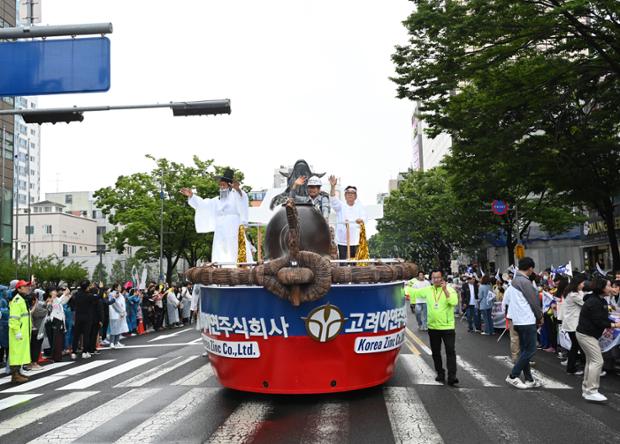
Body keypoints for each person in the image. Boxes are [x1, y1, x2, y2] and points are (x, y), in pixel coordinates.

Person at [180, 168, 251, 264]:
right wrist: (192, 196)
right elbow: (203, 205)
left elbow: (242, 197)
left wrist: (237, 189)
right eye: (220, 185)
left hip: (234, 229)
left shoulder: (236, 196)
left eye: (224, 185)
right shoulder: (216, 201)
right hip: (220, 231)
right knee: (220, 251)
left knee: (234, 250)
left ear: (229, 186)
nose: (221, 187)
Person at [410, 269, 459, 385]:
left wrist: (445, 290)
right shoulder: (428, 290)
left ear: (442, 278)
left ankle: (452, 376)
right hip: (433, 327)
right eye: (434, 278)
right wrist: (403, 285)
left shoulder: (450, 289)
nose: (436, 280)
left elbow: (453, 302)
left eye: (438, 277)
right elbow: (413, 293)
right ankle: (440, 373)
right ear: (431, 279)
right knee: (436, 352)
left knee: (450, 351)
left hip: (447, 327)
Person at [576, 277, 620, 402]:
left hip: (587, 334)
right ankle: (591, 391)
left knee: (591, 361)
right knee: (597, 361)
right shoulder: (594, 302)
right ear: (601, 288)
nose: (611, 288)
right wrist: (615, 325)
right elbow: (600, 321)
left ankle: (587, 388)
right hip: (586, 335)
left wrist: (613, 321)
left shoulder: (600, 300)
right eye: (609, 286)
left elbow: (603, 317)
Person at [505, 257, 543, 390]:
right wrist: (540, 317)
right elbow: (534, 302)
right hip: (526, 320)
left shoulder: (514, 282)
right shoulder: (525, 282)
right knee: (530, 350)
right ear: (530, 268)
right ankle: (513, 375)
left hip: (517, 320)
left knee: (525, 351)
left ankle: (529, 379)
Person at [328, 175, 367, 260]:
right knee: (343, 263)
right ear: (345, 195)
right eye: (348, 193)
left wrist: (361, 220)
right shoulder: (341, 206)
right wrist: (333, 186)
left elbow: (364, 218)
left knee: (355, 263)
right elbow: (333, 199)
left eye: (352, 193)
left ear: (355, 196)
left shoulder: (360, 207)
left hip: (356, 240)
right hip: (343, 241)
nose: (350, 195)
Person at [8, 280, 32, 383]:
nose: (27, 288)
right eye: (25, 286)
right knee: (16, 353)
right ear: (19, 289)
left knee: (20, 353)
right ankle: (15, 375)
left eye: (27, 286)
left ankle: (17, 373)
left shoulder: (22, 299)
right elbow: (14, 318)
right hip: (18, 332)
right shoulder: (17, 300)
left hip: (22, 332)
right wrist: (17, 331)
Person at [562, 275, 586, 375]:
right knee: (577, 346)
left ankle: (574, 366)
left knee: (576, 346)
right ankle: (572, 368)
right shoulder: (573, 295)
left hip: (571, 323)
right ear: (577, 284)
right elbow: (585, 304)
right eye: (582, 283)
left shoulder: (573, 292)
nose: (584, 285)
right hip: (573, 324)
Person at [71, 280, 98, 360]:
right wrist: (101, 288)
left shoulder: (77, 295)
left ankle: (73, 352)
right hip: (87, 318)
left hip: (78, 317)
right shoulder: (89, 296)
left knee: (76, 336)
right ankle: (84, 352)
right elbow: (98, 296)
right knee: (86, 335)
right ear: (86, 287)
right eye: (89, 286)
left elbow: (73, 304)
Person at [47, 287, 72, 362]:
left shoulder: (57, 299)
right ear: (50, 293)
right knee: (56, 339)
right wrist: (64, 294)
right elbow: (54, 305)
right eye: (53, 291)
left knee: (59, 339)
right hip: (55, 320)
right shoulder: (50, 300)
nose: (55, 292)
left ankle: (57, 356)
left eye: (55, 291)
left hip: (60, 320)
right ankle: (55, 357)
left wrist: (67, 294)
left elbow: (63, 301)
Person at [108, 284, 128, 348]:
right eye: (119, 287)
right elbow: (114, 304)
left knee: (119, 328)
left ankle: (116, 342)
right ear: (116, 288)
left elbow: (122, 304)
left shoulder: (120, 294)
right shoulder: (111, 294)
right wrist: (121, 311)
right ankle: (111, 343)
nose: (120, 288)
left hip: (121, 313)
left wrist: (123, 312)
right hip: (114, 313)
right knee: (114, 328)